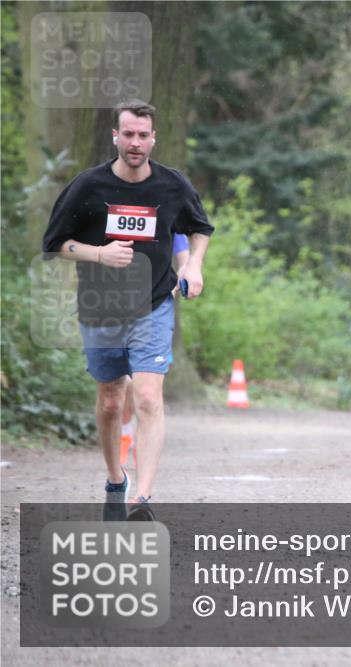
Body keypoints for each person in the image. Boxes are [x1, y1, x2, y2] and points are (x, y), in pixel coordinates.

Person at [41, 100, 214, 520]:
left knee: (149, 396)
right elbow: (54, 245)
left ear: (153, 138)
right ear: (115, 137)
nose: (136, 142)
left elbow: (199, 228)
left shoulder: (172, 186)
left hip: (152, 307)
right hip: (100, 309)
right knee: (111, 400)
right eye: (128, 134)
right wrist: (98, 254)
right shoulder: (88, 187)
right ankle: (115, 479)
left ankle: (142, 498)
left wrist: (193, 264)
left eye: (143, 135)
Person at [118, 233, 190, 468]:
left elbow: (183, 251)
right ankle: (126, 429)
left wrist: (184, 274)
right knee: (123, 384)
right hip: (114, 303)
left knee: (146, 390)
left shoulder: (167, 209)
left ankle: (141, 441)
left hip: (155, 310)